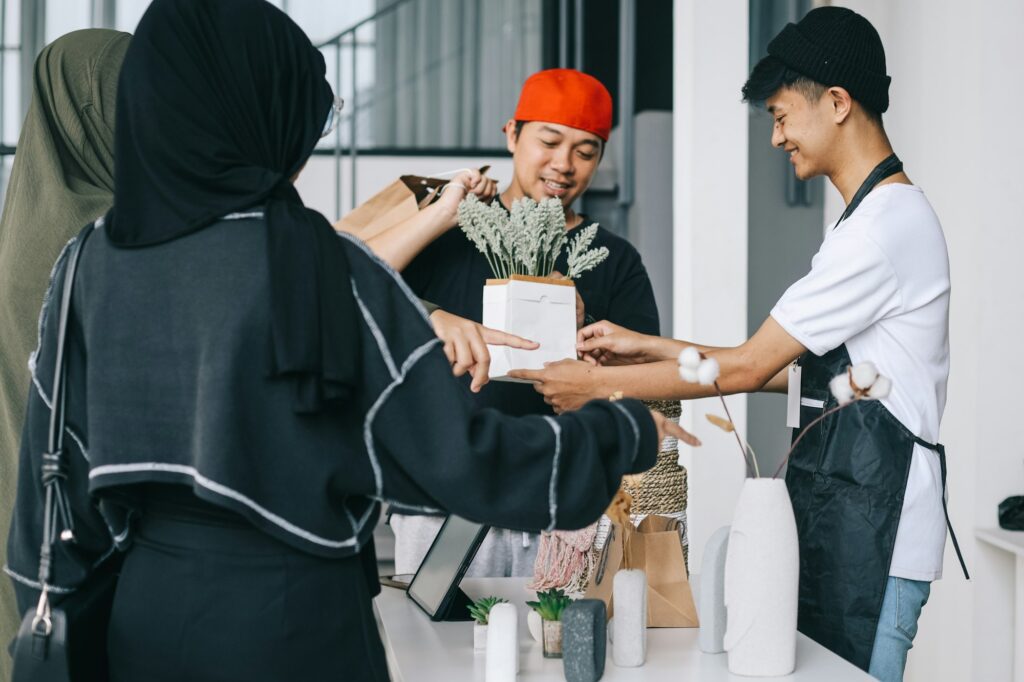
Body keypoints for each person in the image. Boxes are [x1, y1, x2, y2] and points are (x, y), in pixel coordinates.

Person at [4, 1, 692, 680]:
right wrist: (624, 430)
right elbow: (465, 461)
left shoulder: (89, 261)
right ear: (267, 114)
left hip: (142, 619)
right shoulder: (319, 263)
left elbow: (53, 487)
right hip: (299, 622)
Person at [511, 7, 967, 681]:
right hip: (853, 516)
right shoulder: (866, 224)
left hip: (878, 528)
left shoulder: (880, 229)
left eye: (782, 115)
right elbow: (799, 376)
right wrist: (648, 346)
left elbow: (753, 364)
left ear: (837, 102)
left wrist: (594, 384)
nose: (777, 137)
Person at [384, 68, 663, 577]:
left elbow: (647, 382)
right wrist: (435, 316)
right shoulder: (447, 232)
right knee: (434, 654)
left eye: (586, 150)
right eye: (550, 141)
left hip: (562, 509)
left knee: (559, 652)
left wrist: (588, 327)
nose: (564, 164)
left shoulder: (613, 259)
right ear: (511, 134)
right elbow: (360, 297)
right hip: (441, 504)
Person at [0, 29, 130, 681]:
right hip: (71, 537)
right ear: (92, 111)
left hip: (27, 520)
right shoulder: (94, 239)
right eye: (127, 100)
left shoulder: (31, 216)